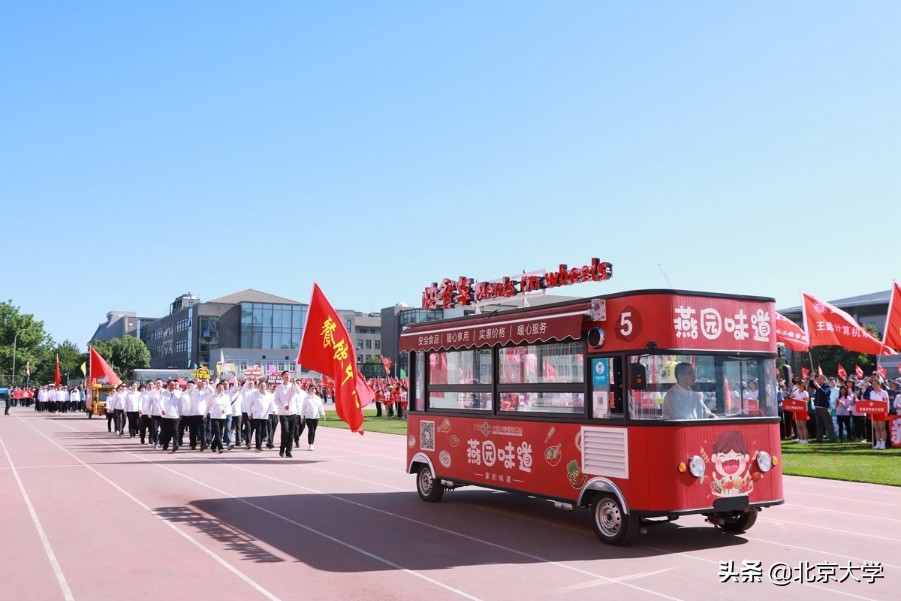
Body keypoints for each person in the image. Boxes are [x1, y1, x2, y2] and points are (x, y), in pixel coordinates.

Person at [274, 371, 301, 458]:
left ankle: (288, 451)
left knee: (291, 433)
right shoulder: (279, 388)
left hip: (292, 412)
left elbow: (298, 392)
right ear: (282, 377)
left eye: (288, 375)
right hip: (283, 413)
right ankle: (282, 449)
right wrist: (283, 406)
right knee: (285, 431)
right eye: (285, 375)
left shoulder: (292, 386)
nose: (287, 376)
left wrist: (295, 383)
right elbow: (276, 400)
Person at [207, 382, 232, 454]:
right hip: (214, 417)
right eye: (219, 388)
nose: (221, 389)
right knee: (217, 432)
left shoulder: (226, 396)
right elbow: (208, 407)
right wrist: (205, 415)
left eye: (222, 388)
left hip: (222, 417)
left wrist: (225, 410)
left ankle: (213, 446)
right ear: (216, 388)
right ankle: (221, 447)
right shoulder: (213, 397)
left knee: (220, 433)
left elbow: (228, 406)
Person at [810, 374, 837, 443]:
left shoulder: (827, 386)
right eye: (818, 379)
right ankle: (819, 438)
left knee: (828, 424)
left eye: (820, 379)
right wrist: (812, 379)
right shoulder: (819, 386)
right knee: (819, 424)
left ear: (824, 379)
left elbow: (825, 393)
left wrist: (818, 386)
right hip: (817, 407)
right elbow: (811, 385)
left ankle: (832, 438)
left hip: (824, 408)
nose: (818, 380)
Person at [299, 384, 325, 450]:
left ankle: (312, 444)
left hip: (316, 417)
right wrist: (302, 417)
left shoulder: (318, 398)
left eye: (313, 388)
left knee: (314, 431)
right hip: (308, 417)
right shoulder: (306, 398)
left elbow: (320, 407)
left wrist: (323, 413)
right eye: (310, 388)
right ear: (308, 390)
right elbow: (303, 409)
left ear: (315, 390)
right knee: (311, 430)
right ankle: (310, 444)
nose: (312, 390)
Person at [867, 380, 889, 449]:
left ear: (879, 384)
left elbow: (886, 403)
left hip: (881, 412)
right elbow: (871, 402)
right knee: (876, 428)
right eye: (873, 384)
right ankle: (878, 443)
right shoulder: (871, 392)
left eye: (876, 384)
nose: (874, 386)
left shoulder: (884, 392)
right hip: (874, 412)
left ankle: (883, 444)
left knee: (882, 428)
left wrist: (886, 411)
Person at [790, 378, 811, 444]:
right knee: (798, 425)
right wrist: (793, 391)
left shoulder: (805, 393)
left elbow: (806, 401)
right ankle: (801, 439)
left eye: (799, 385)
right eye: (798, 385)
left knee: (803, 425)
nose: (798, 386)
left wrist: (799, 401)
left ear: (802, 385)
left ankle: (805, 439)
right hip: (796, 410)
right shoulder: (796, 392)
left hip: (803, 410)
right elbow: (791, 397)